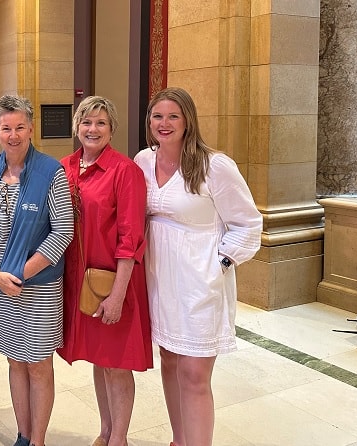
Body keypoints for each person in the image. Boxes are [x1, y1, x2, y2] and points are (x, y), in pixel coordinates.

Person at [133, 87, 262, 446]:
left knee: (194, 373)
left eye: (173, 116)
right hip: (160, 277)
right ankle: (179, 439)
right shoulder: (143, 160)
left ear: (188, 120)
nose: (164, 123)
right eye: (157, 116)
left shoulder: (214, 165)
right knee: (170, 361)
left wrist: (218, 264)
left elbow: (248, 223)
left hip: (199, 280)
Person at [0, 95, 74, 446]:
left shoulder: (51, 171)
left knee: (38, 365)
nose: (13, 135)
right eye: (6, 128)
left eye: (19, 127)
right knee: (15, 361)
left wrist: (20, 274)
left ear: (31, 129)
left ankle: (39, 440)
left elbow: (63, 230)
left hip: (38, 284)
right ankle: (23, 433)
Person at [56, 96, 152, 446]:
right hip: (76, 280)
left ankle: (120, 439)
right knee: (99, 359)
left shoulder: (125, 171)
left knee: (116, 363)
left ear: (112, 129)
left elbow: (131, 238)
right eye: (86, 122)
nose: (92, 129)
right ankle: (106, 431)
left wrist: (118, 295)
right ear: (76, 127)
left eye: (100, 123)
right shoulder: (63, 167)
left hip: (112, 282)